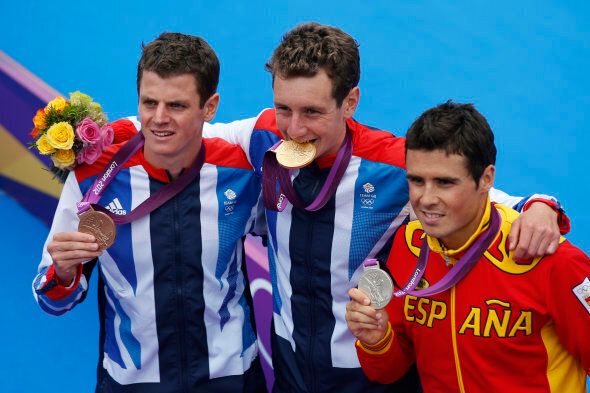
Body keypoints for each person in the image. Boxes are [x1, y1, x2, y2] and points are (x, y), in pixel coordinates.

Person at [124, 23, 568, 392]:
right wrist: (95, 142)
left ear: (350, 102)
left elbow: (485, 198)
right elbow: (176, 130)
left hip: (372, 371)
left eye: (313, 112)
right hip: (291, 367)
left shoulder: (393, 163)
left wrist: (541, 206)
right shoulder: (262, 138)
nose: (295, 129)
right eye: (284, 108)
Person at [32, 32, 266, 392]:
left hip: (230, 379)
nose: (158, 119)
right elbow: (51, 300)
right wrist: (64, 272)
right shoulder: (96, 177)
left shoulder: (240, 170)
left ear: (210, 106)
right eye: (149, 102)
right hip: (132, 382)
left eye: (176, 105)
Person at [346, 101, 590, 392]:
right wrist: (377, 339)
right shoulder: (409, 245)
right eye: (417, 180)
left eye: (445, 183)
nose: (426, 198)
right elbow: (389, 371)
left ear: (486, 178)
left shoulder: (551, 258)